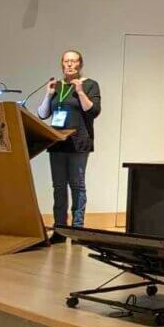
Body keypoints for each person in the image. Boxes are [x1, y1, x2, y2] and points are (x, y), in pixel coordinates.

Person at [36, 50, 101, 242]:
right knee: (58, 187)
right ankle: (60, 229)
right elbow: (42, 114)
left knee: (77, 186)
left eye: (74, 61)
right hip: (57, 142)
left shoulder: (90, 85)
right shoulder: (56, 86)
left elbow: (93, 111)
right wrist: (48, 95)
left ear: (80, 64)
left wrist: (80, 91)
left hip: (78, 143)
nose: (70, 64)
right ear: (62, 64)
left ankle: (77, 229)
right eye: (66, 61)